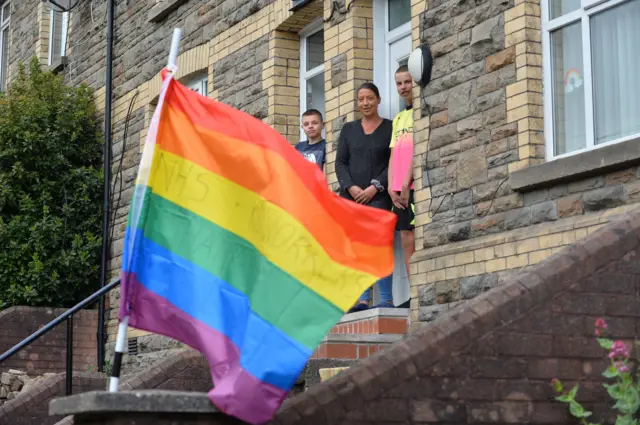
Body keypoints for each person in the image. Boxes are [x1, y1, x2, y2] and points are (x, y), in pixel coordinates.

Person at [335, 82, 394, 313]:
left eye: (370, 98)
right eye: (361, 99)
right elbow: (340, 162)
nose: (365, 103)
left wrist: (375, 187)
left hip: (378, 198)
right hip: (352, 199)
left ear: (378, 100)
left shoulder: (389, 128)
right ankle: (362, 299)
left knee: (380, 246)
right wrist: (350, 187)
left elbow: (393, 162)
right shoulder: (349, 130)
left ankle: (386, 298)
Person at [388, 65, 416, 279]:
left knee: (415, 238)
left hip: (413, 186)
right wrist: (391, 186)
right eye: (399, 83)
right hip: (397, 190)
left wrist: (406, 183)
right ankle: (412, 291)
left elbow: (419, 147)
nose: (403, 87)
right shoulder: (398, 119)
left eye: (407, 82)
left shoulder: (420, 112)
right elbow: (393, 155)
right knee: (406, 238)